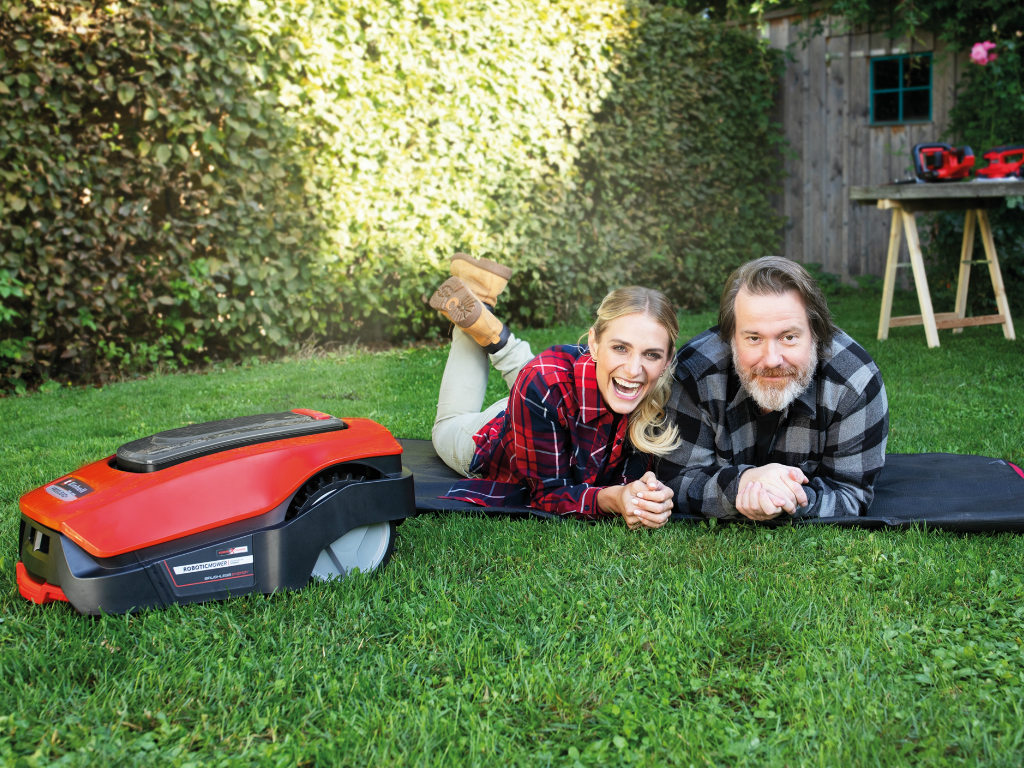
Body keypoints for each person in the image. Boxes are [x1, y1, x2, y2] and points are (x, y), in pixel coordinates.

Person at [428, 253, 680, 529]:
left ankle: (483, 307)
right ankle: (479, 304)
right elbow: (548, 493)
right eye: (620, 347)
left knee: (547, 381)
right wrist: (614, 498)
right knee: (448, 423)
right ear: (593, 344)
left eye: (652, 355)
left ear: (667, 359)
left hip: (551, 401)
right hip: (495, 436)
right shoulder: (544, 384)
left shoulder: (665, 393)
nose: (634, 370)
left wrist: (651, 493)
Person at [661, 256, 888, 521]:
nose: (772, 360)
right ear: (731, 337)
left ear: (816, 333)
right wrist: (743, 484)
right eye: (754, 338)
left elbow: (851, 493)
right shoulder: (694, 374)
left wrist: (785, 499)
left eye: (788, 337)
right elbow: (675, 479)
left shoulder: (855, 382)